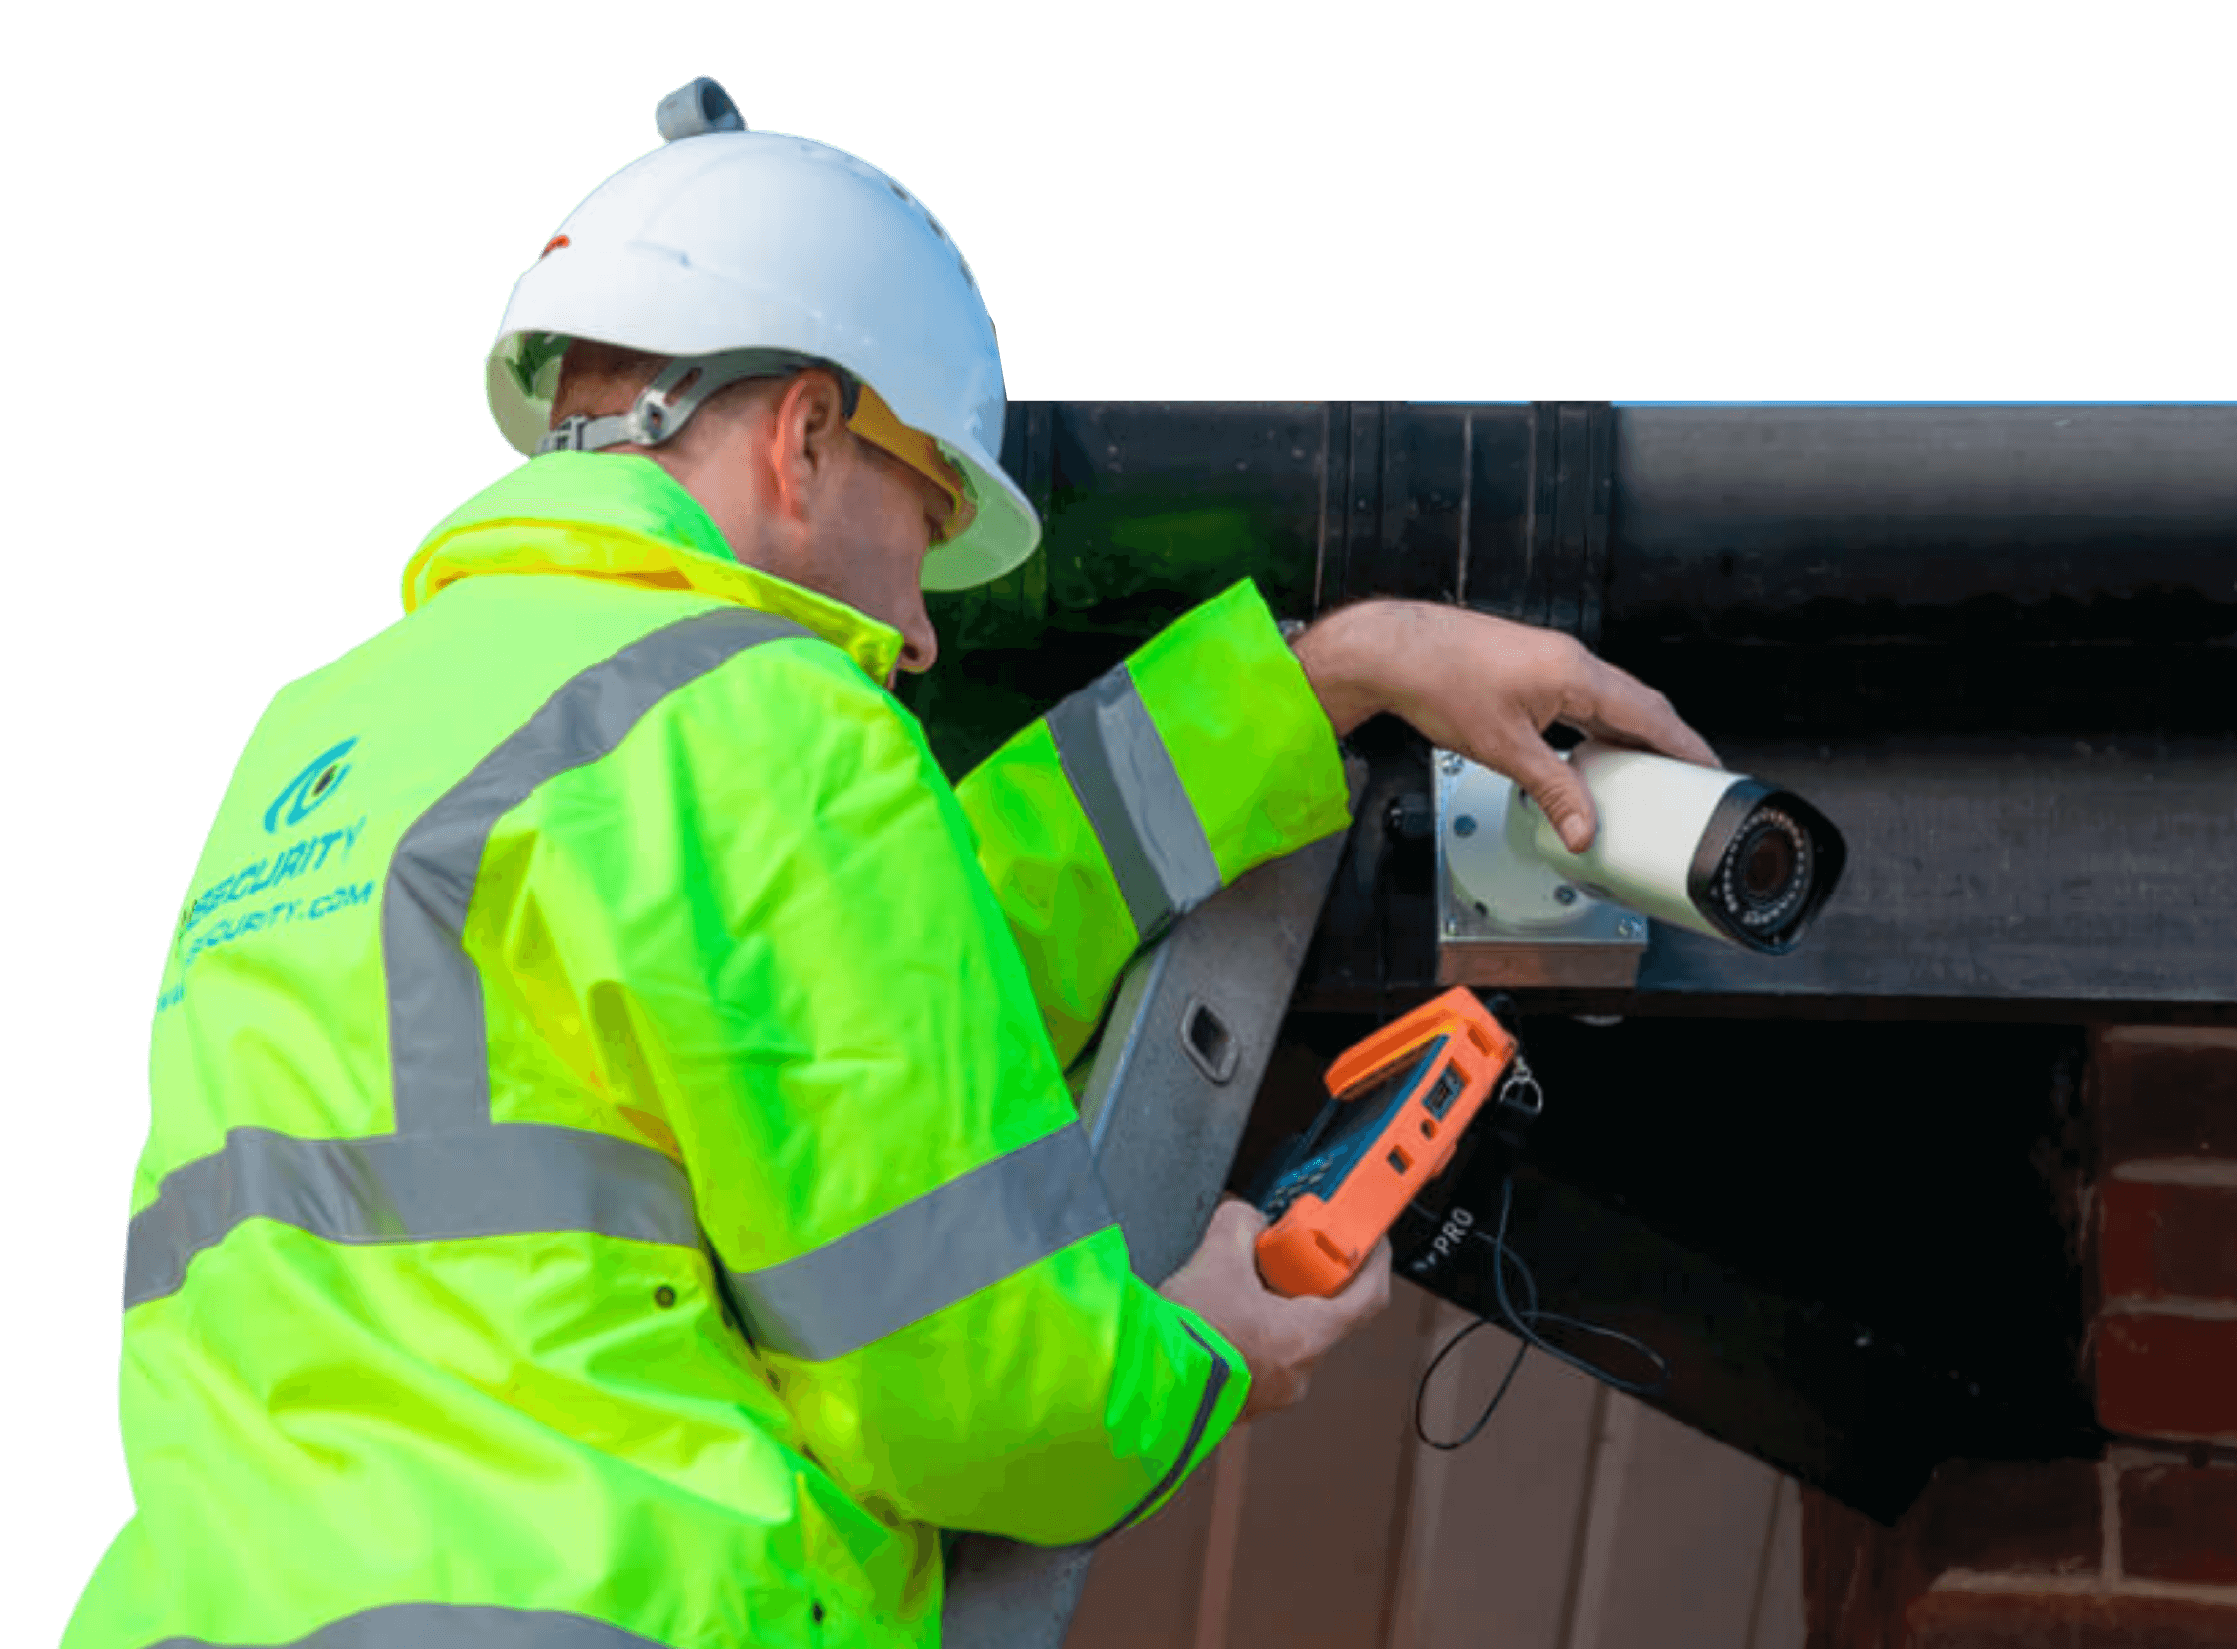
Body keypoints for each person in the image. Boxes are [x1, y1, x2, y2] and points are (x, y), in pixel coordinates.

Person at [65, 80, 1721, 1649]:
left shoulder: (333, 732)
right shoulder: (757, 711)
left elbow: (886, 958)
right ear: (801, 437)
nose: (924, 634)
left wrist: (1331, 677)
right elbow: (979, 1385)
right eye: (927, 531)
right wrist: (1211, 1343)